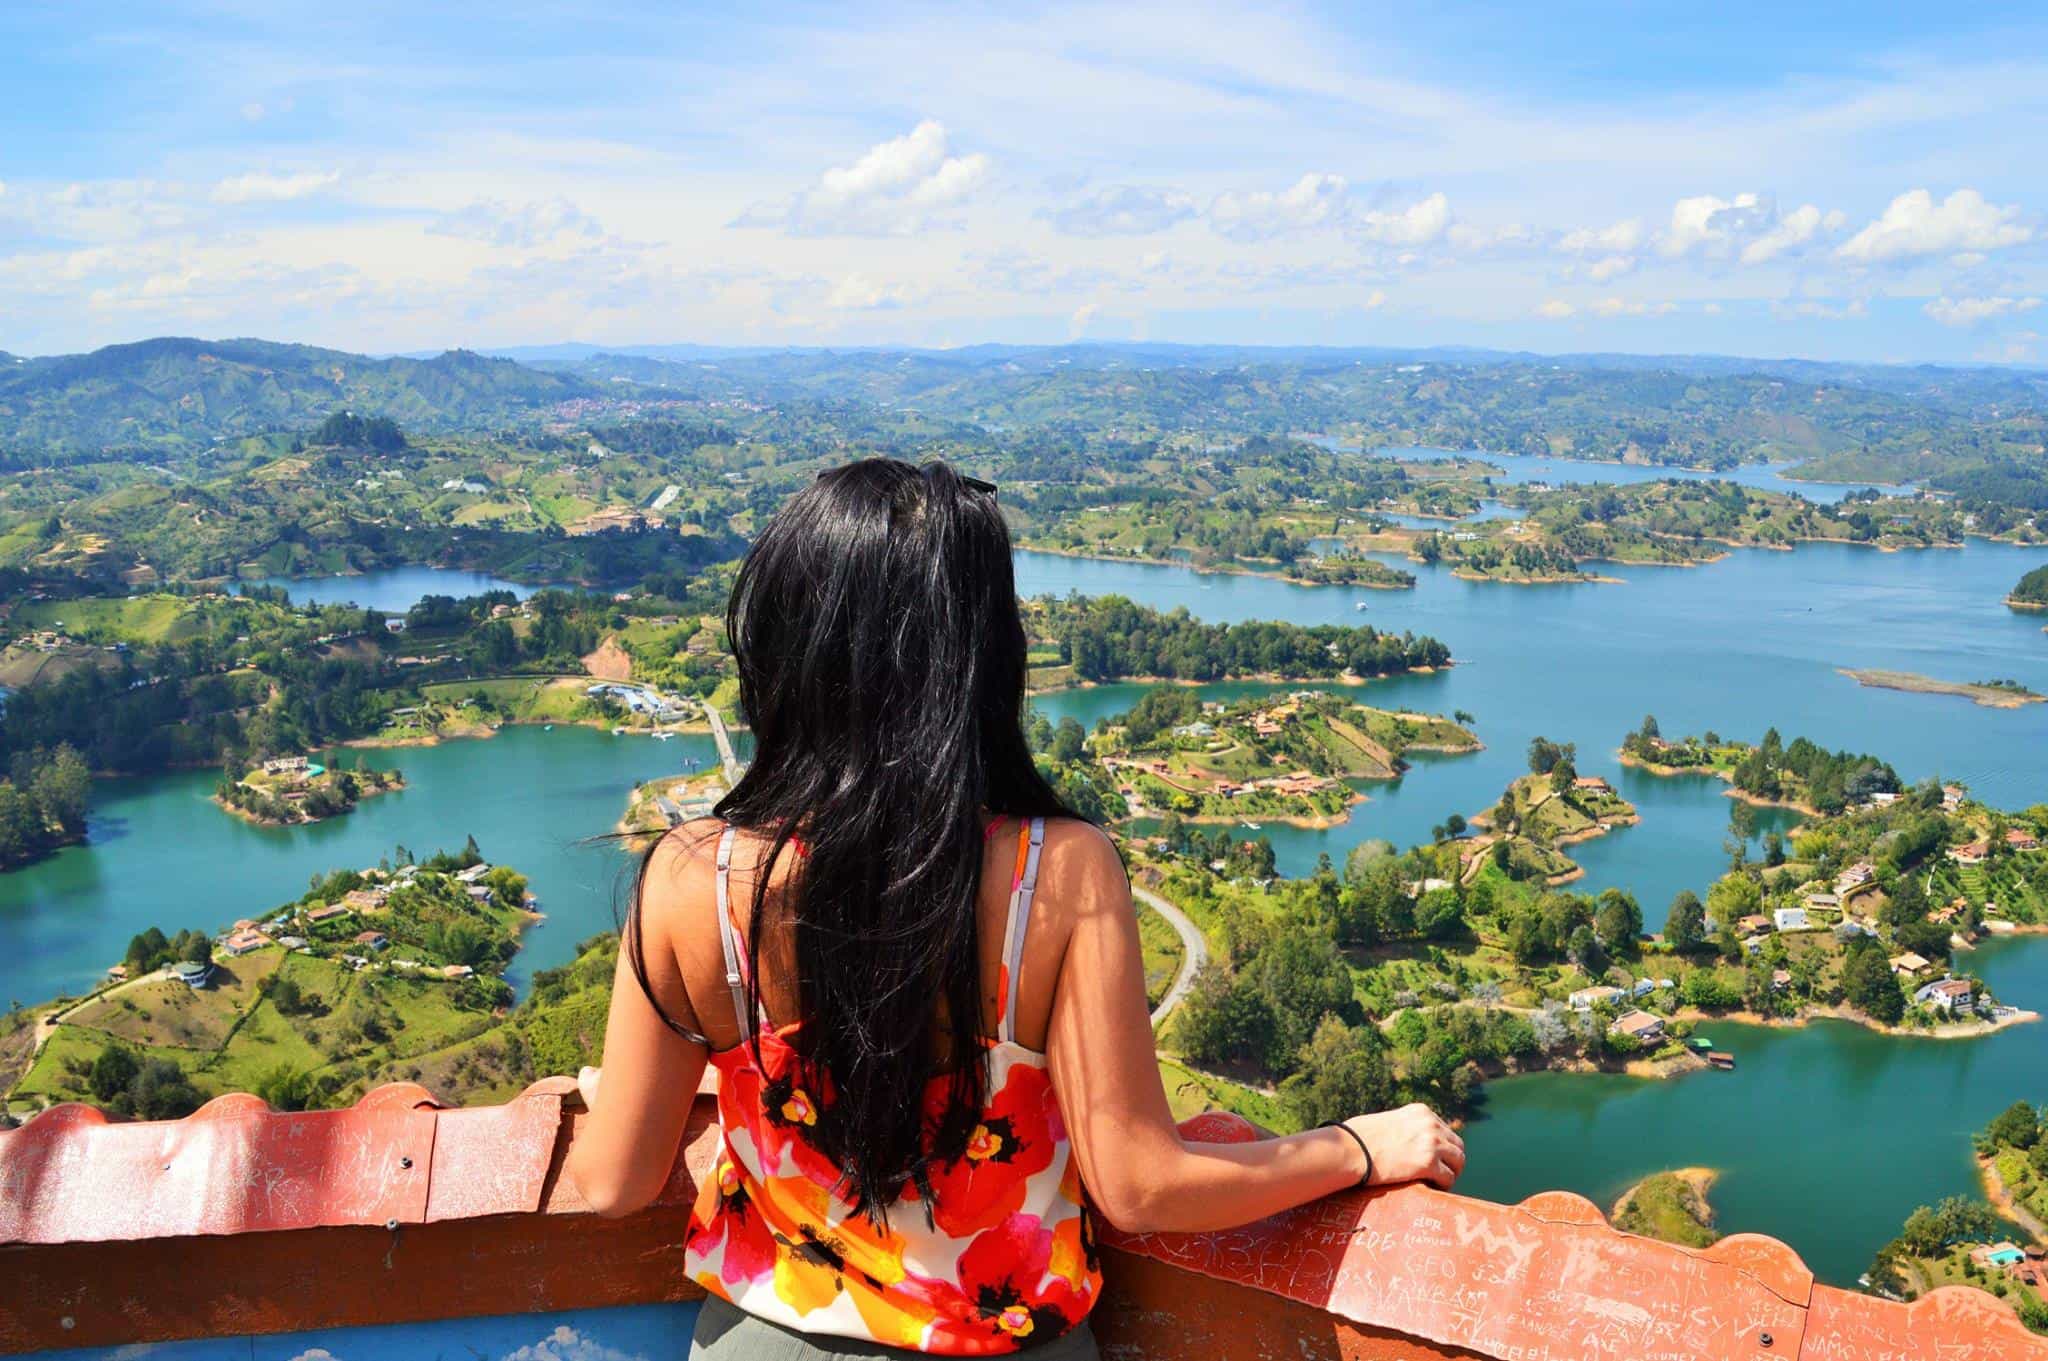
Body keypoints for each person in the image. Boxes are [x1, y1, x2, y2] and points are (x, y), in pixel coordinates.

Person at [566, 459, 1465, 1359]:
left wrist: (671, 1094)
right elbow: (1142, 1185)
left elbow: (613, 1183)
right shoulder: (1058, 874)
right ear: (982, 655)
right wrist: (1356, 1146)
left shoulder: (689, 877)